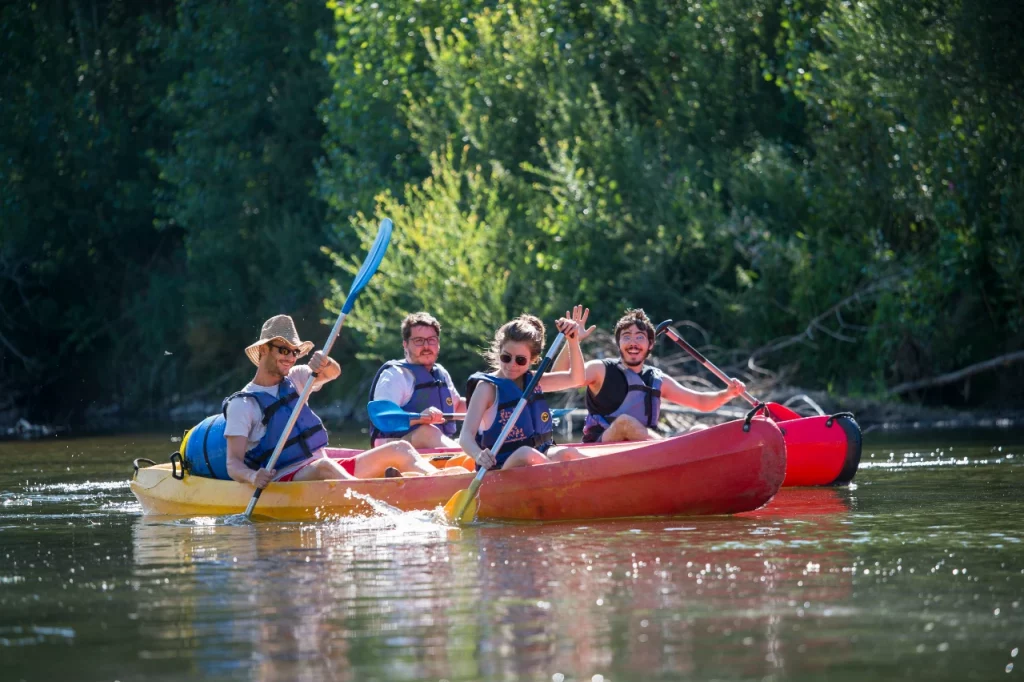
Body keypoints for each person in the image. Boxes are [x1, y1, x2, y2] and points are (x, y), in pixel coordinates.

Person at [182, 315, 463, 489]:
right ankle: (377, 497)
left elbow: (332, 373)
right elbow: (233, 464)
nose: (291, 357)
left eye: (294, 351)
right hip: (286, 478)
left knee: (399, 447)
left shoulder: (298, 378)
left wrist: (325, 362)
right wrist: (253, 478)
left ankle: (443, 484)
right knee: (323, 468)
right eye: (283, 350)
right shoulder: (243, 405)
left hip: (325, 468)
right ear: (264, 350)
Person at [556, 308, 746, 443]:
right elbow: (557, 378)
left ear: (650, 345)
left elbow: (701, 402)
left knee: (700, 431)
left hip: (645, 451)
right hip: (602, 449)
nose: (633, 342)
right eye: (626, 336)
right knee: (624, 423)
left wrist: (728, 393)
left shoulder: (657, 379)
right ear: (618, 343)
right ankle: (666, 448)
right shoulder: (600, 370)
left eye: (639, 337)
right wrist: (571, 342)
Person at [459, 312, 586, 471]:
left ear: (532, 360)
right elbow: (465, 437)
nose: (512, 365)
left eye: (520, 360)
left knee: (568, 453)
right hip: (500, 467)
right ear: (499, 352)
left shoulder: (533, 380)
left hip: (540, 456)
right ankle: (560, 480)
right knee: (526, 454)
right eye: (506, 357)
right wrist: (478, 455)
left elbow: (576, 379)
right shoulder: (487, 388)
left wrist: (573, 342)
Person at [367, 312, 466, 449]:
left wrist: (488, 404)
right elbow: (384, 417)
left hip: (435, 447)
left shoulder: (440, 372)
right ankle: (464, 456)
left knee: (471, 436)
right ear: (405, 345)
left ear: (438, 344)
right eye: (418, 341)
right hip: (394, 449)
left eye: (431, 340)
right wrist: (420, 417)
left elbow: (457, 406)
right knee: (427, 432)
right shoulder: (394, 375)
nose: (426, 346)